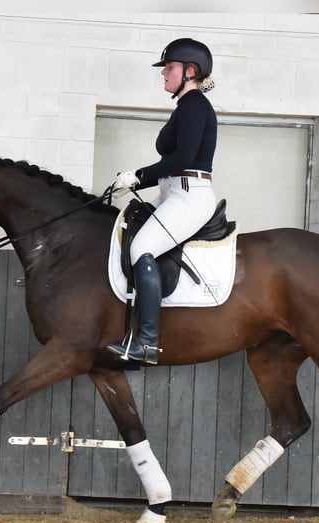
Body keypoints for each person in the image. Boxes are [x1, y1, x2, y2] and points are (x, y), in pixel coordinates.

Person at [107, 38, 218, 365]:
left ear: (190, 71)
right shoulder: (185, 106)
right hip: (173, 191)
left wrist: (139, 175)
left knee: (142, 249)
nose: (164, 73)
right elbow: (174, 164)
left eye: (169, 67)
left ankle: (147, 343)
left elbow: (183, 157)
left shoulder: (196, 105)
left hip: (190, 197)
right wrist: (131, 183)